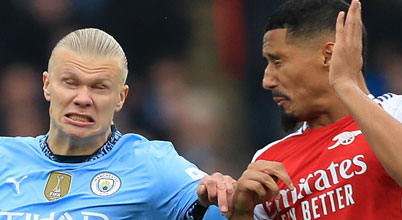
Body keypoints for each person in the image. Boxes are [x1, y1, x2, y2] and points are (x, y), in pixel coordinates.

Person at [200, 0, 402, 219]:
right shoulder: (268, 160)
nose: (267, 80)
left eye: (277, 61)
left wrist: (345, 85)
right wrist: (242, 214)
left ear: (328, 56)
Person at [0, 28, 235, 220]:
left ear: (121, 97)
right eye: (70, 83)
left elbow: (219, 204)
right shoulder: (4, 157)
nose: (83, 99)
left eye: (99, 87)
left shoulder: (151, 165)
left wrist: (224, 194)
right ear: (47, 85)